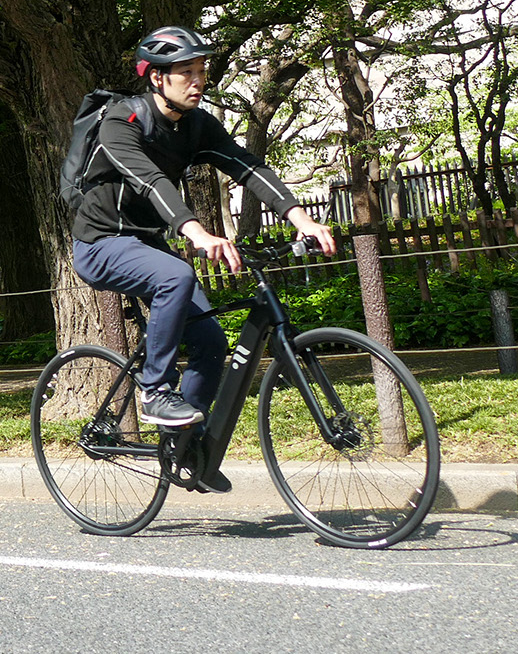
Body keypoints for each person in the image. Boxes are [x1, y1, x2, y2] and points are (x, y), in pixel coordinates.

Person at [72, 25, 338, 467]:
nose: (198, 81)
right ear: (157, 77)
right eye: (186, 72)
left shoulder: (197, 125)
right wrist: (194, 230)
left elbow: (246, 166)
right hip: (101, 244)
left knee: (212, 340)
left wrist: (299, 216)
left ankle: (183, 450)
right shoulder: (122, 121)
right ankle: (155, 392)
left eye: (202, 71)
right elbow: (150, 180)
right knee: (177, 274)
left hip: (149, 246)